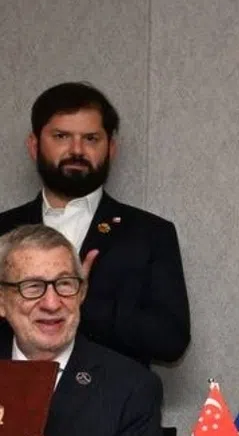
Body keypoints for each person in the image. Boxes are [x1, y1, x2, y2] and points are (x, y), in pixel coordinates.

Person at [0, 82, 190, 366]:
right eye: (61, 136)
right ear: (34, 145)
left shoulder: (150, 233)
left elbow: (171, 340)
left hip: (113, 393)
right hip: (12, 391)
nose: (76, 150)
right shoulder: (4, 229)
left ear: (111, 148)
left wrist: (81, 300)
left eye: (91, 139)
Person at [0, 225, 169, 436]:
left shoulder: (131, 385)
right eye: (33, 287)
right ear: (2, 301)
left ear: (82, 292)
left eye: (65, 284)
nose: (52, 303)